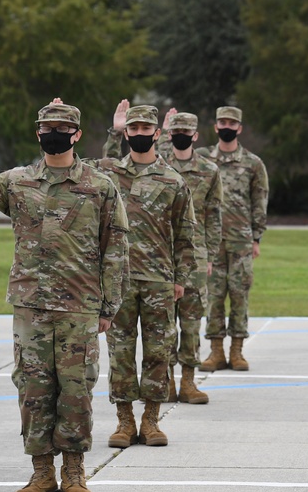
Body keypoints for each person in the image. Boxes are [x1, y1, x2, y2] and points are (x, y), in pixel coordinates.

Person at [0, 102, 130, 492]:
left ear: (77, 134)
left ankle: (75, 472)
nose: (54, 133)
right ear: (37, 133)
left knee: (76, 390)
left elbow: (115, 249)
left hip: (80, 307)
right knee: (33, 390)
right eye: (47, 127)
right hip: (31, 306)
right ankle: (42, 472)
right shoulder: (18, 182)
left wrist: (109, 306)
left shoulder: (98, 186)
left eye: (62, 128)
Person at [94, 101, 197, 448]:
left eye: (144, 130)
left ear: (157, 133)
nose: (139, 134)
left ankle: (151, 420)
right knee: (120, 352)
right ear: (127, 133)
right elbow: (82, 168)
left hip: (158, 279)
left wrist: (181, 279)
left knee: (158, 351)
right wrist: (112, 130)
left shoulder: (173, 180)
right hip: (118, 280)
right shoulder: (111, 174)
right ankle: (124, 422)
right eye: (133, 130)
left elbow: (186, 235)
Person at [108, 109, 223, 403]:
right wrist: (116, 131)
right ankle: (168, 382)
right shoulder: (154, 164)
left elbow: (213, 216)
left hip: (190, 256)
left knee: (191, 321)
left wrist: (209, 254)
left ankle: (188, 381)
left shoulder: (206, 171)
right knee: (163, 330)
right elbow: (107, 168)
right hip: (147, 263)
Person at [199, 106, 269, 372]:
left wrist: (256, 238)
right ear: (215, 126)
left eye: (232, 122)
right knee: (214, 297)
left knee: (240, 295)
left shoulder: (253, 163)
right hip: (210, 241)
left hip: (241, 240)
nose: (226, 126)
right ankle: (216, 352)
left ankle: (237, 351)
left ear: (239, 128)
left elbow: (259, 201)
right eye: (222, 122)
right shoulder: (202, 159)